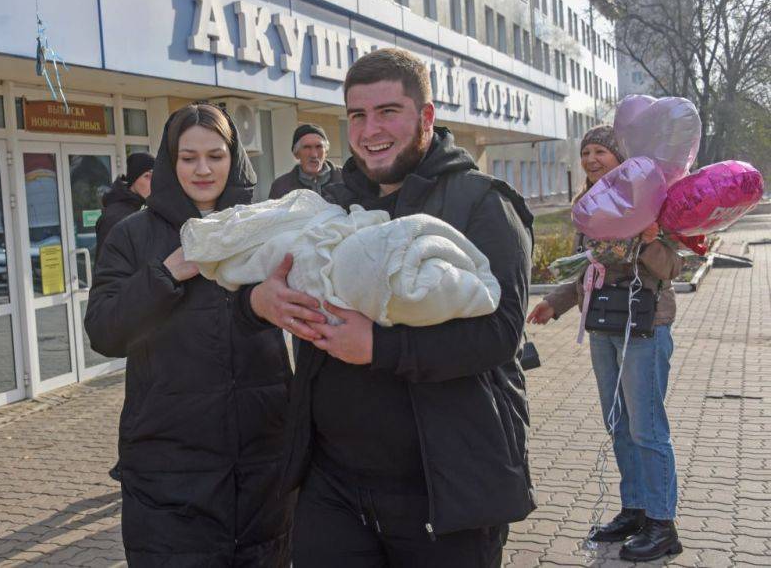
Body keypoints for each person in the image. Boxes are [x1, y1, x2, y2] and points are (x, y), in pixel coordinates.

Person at [236, 48, 535, 566]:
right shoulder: (328, 202)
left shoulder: (482, 203)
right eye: (357, 115)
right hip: (330, 487)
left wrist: (379, 346)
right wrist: (258, 300)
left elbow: (502, 332)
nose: (370, 129)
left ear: (426, 117)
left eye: (388, 111)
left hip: (444, 491)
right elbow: (254, 266)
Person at [84, 103, 295, 567]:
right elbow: (104, 330)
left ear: (234, 159)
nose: (203, 169)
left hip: (262, 467)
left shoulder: (263, 230)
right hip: (170, 474)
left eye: (216, 156)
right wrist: (168, 273)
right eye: (188, 157)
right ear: (169, 161)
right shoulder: (132, 236)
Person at [527, 125, 683, 562]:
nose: (593, 159)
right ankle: (634, 510)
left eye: (601, 152)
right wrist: (555, 303)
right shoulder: (587, 208)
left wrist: (650, 238)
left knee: (647, 428)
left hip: (645, 325)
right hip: (604, 326)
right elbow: (586, 271)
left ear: (621, 159)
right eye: (586, 152)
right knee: (617, 422)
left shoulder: (652, 200)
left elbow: (672, 267)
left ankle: (662, 523)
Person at [94, 152, 154, 263]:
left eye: (155, 176)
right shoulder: (114, 217)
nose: (153, 182)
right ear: (134, 179)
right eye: (147, 176)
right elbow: (106, 268)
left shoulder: (143, 209)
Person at [268, 124, 342, 199]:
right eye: (307, 147)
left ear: (326, 152)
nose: (314, 155)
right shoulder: (281, 186)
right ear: (296, 154)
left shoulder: (345, 178)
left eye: (319, 147)